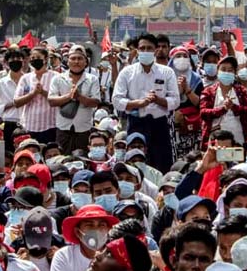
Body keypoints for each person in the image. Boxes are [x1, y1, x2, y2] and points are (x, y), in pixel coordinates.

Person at [112, 33, 180, 174]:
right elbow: (117, 100)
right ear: (137, 50)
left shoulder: (167, 72)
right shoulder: (127, 72)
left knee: (162, 164)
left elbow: (175, 101)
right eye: (142, 48)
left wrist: (158, 100)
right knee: (135, 164)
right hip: (136, 122)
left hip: (159, 124)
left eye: (149, 48)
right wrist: (138, 103)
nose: (145, 51)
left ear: (155, 50)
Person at [50, 45, 102, 154]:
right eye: (73, 58)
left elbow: (95, 102)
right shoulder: (58, 79)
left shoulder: (93, 79)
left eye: (80, 59)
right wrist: (69, 96)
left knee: (82, 161)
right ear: (68, 61)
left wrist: (79, 97)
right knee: (63, 161)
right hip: (63, 128)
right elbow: (51, 101)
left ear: (86, 62)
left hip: (84, 129)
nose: (76, 62)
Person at [13, 46, 59, 146]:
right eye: (32, 58)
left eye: (38, 57)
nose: (35, 60)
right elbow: (17, 102)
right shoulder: (26, 78)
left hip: (50, 125)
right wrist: (33, 94)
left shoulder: (55, 76)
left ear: (46, 59)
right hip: (29, 125)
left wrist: (43, 92)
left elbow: (59, 100)